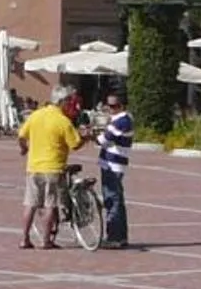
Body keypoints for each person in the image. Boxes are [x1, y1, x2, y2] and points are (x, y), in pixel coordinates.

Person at [19, 88, 85, 248]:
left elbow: (21, 135)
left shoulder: (35, 115)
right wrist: (86, 137)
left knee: (30, 204)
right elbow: (75, 144)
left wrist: (24, 148)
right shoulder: (62, 121)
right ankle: (46, 240)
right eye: (68, 101)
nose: (69, 104)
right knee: (50, 204)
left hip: (34, 167)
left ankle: (24, 239)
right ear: (61, 102)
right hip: (53, 168)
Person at [96, 89, 134, 247]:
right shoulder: (117, 120)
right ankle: (121, 236)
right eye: (108, 105)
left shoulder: (122, 121)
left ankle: (114, 237)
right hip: (110, 163)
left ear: (122, 106)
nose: (110, 109)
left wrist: (89, 135)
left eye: (114, 106)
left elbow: (103, 139)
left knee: (112, 200)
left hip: (114, 166)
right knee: (117, 200)